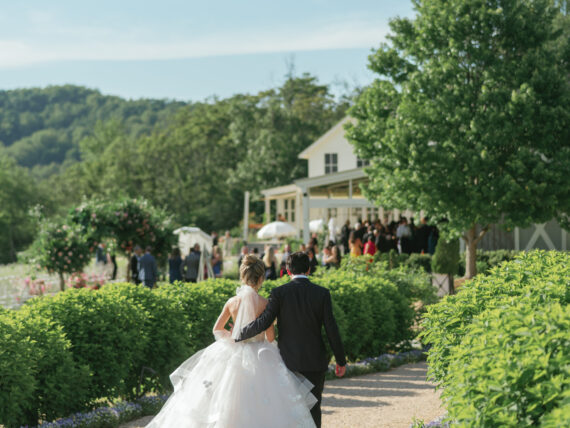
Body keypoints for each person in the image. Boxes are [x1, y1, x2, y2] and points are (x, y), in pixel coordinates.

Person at [146, 255, 317, 428]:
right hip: (259, 354)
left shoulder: (232, 302)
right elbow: (271, 337)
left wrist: (233, 337)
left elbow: (217, 329)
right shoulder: (265, 303)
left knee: (225, 399)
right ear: (261, 278)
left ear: (242, 276)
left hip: (233, 351)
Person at [237, 252, 347, 428]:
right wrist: (341, 360)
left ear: (287, 270)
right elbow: (331, 329)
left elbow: (263, 322)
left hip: (288, 361)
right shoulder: (322, 294)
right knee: (314, 408)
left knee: (289, 410)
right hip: (315, 361)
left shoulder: (279, 293)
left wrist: (238, 334)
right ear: (309, 269)